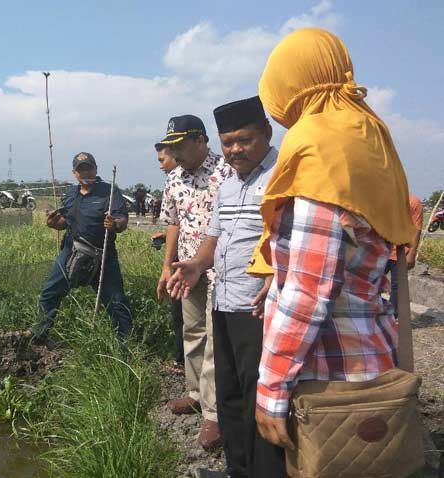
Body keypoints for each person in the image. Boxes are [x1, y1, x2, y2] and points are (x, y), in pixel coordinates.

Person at [244, 28, 416, 454]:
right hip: (375, 353)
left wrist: (272, 387)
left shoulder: (317, 144)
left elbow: (307, 290)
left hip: (331, 374)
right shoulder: (368, 134)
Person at [168, 96, 286, 478]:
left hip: (258, 308)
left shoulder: (284, 176)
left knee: (260, 397)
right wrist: (195, 264)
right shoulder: (230, 184)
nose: (235, 150)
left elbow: (299, 238)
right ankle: (238, 468)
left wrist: (276, 275)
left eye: (244, 140)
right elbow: (215, 235)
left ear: (266, 133)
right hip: (223, 301)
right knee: (231, 394)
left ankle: (265, 471)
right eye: (228, 142)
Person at [157, 114, 232, 450]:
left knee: (216, 340)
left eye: (181, 145)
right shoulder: (174, 179)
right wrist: (167, 267)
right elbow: (172, 223)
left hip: (221, 269)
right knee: (192, 331)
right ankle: (195, 394)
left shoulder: (227, 172)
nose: (177, 153)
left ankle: (215, 414)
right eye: (172, 147)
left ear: (201, 140)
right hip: (187, 269)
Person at [30, 152, 133, 342]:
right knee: (49, 292)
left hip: (102, 255)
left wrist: (115, 224)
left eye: (88, 168)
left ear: (95, 169)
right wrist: (53, 223)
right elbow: (64, 222)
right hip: (72, 251)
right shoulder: (71, 194)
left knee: (116, 301)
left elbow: (122, 220)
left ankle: (125, 344)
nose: (85, 173)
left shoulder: (109, 192)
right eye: (80, 170)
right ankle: (39, 335)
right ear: (74, 173)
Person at [151, 143, 185, 372]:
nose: (161, 165)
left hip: (194, 263)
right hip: (179, 260)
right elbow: (178, 223)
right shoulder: (174, 181)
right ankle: (182, 361)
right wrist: (166, 235)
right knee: (180, 315)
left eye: (163, 159)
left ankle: (183, 362)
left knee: (184, 317)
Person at [387, 193, 424, 312]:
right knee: (371, 282)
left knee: (397, 287)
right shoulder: (382, 197)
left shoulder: (414, 202)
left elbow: (416, 230)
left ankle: (391, 318)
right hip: (380, 251)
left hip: (401, 253)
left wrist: (412, 254)